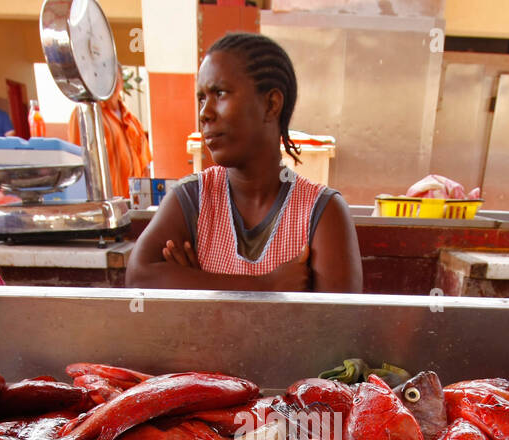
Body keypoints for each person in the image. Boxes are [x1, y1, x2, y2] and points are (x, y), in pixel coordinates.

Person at [127, 32, 361, 293]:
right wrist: (265, 286)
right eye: (202, 98)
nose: (205, 113)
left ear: (271, 105)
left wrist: (198, 285)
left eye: (220, 93)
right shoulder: (192, 198)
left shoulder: (322, 212)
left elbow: (337, 329)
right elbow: (139, 279)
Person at [67, 67, 152, 198]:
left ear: (121, 82)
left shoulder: (132, 120)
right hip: (105, 205)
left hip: (132, 206)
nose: (111, 83)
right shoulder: (87, 115)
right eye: (105, 78)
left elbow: (145, 165)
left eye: (114, 78)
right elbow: (78, 164)